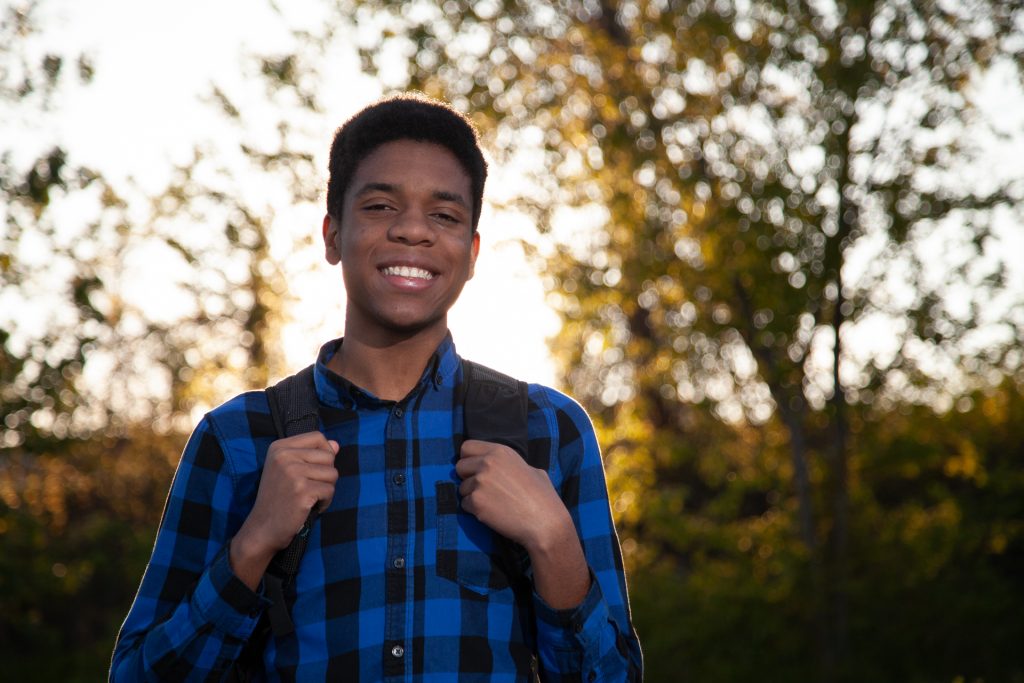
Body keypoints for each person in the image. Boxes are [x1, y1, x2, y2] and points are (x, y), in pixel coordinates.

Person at [111, 93, 642, 682]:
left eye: (444, 215)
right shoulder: (239, 441)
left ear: (471, 253)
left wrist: (554, 542)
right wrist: (254, 544)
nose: (413, 230)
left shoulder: (548, 430)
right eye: (382, 205)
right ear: (333, 235)